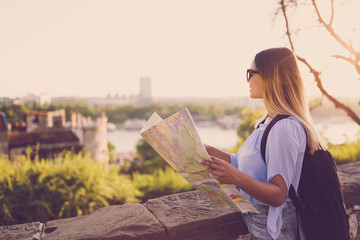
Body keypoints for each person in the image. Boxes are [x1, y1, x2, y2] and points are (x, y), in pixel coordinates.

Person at [200, 47, 326, 240]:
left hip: (275, 229)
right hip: (258, 222)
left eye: (251, 73)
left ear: (270, 77)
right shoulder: (267, 121)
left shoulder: (284, 127)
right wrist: (210, 151)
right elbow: (250, 165)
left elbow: (277, 195)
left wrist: (235, 178)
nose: (247, 79)